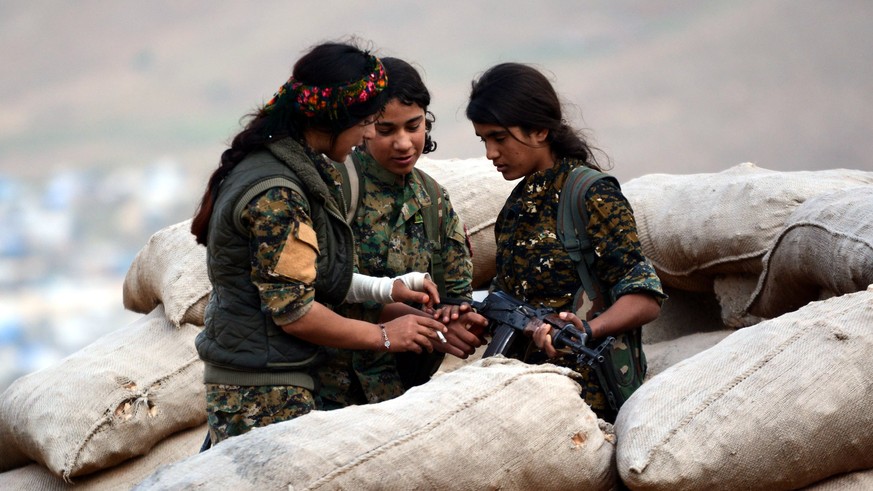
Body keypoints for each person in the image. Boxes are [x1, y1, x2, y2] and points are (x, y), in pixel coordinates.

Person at [190, 41, 450, 445]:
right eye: (367, 122)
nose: (368, 133)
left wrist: (388, 289)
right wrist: (386, 336)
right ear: (334, 119)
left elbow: (308, 276)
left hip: (272, 378)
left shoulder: (296, 167)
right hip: (263, 390)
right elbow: (294, 311)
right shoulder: (278, 193)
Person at [465, 62, 666, 422]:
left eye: (499, 138)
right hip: (525, 396)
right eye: (484, 140)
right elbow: (504, 295)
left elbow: (645, 297)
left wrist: (585, 330)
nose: (490, 153)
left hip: (585, 400)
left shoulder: (591, 195)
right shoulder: (515, 206)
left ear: (539, 129)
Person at [327, 57, 487, 403]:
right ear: (363, 127)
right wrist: (403, 315)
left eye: (413, 126)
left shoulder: (433, 200)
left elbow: (455, 294)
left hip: (403, 397)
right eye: (386, 131)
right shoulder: (336, 187)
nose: (403, 143)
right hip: (330, 392)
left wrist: (453, 319)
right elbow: (310, 294)